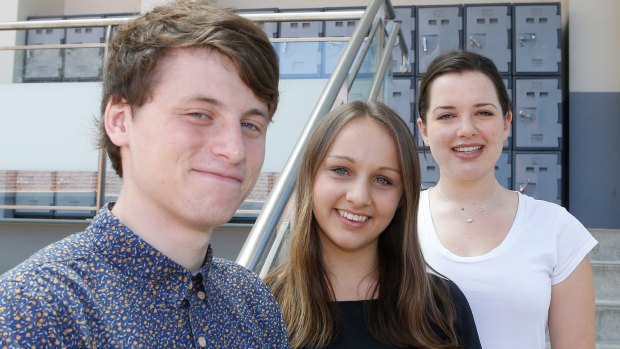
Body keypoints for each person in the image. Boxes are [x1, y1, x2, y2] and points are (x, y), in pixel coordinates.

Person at [0, 1, 288, 347]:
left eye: (250, 124)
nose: (235, 149)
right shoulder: (36, 309)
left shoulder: (253, 302)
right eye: (199, 114)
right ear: (121, 121)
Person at [416, 50, 597, 349]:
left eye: (483, 113)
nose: (466, 130)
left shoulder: (556, 228)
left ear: (506, 122)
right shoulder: (399, 222)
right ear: (424, 129)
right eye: (447, 115)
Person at [265, 100, 481, 349]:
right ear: (310, 178)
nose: (358, 197)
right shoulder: (260, 307)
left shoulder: (444, 308)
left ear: (402, 198)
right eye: (341, 170)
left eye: (383, 180)